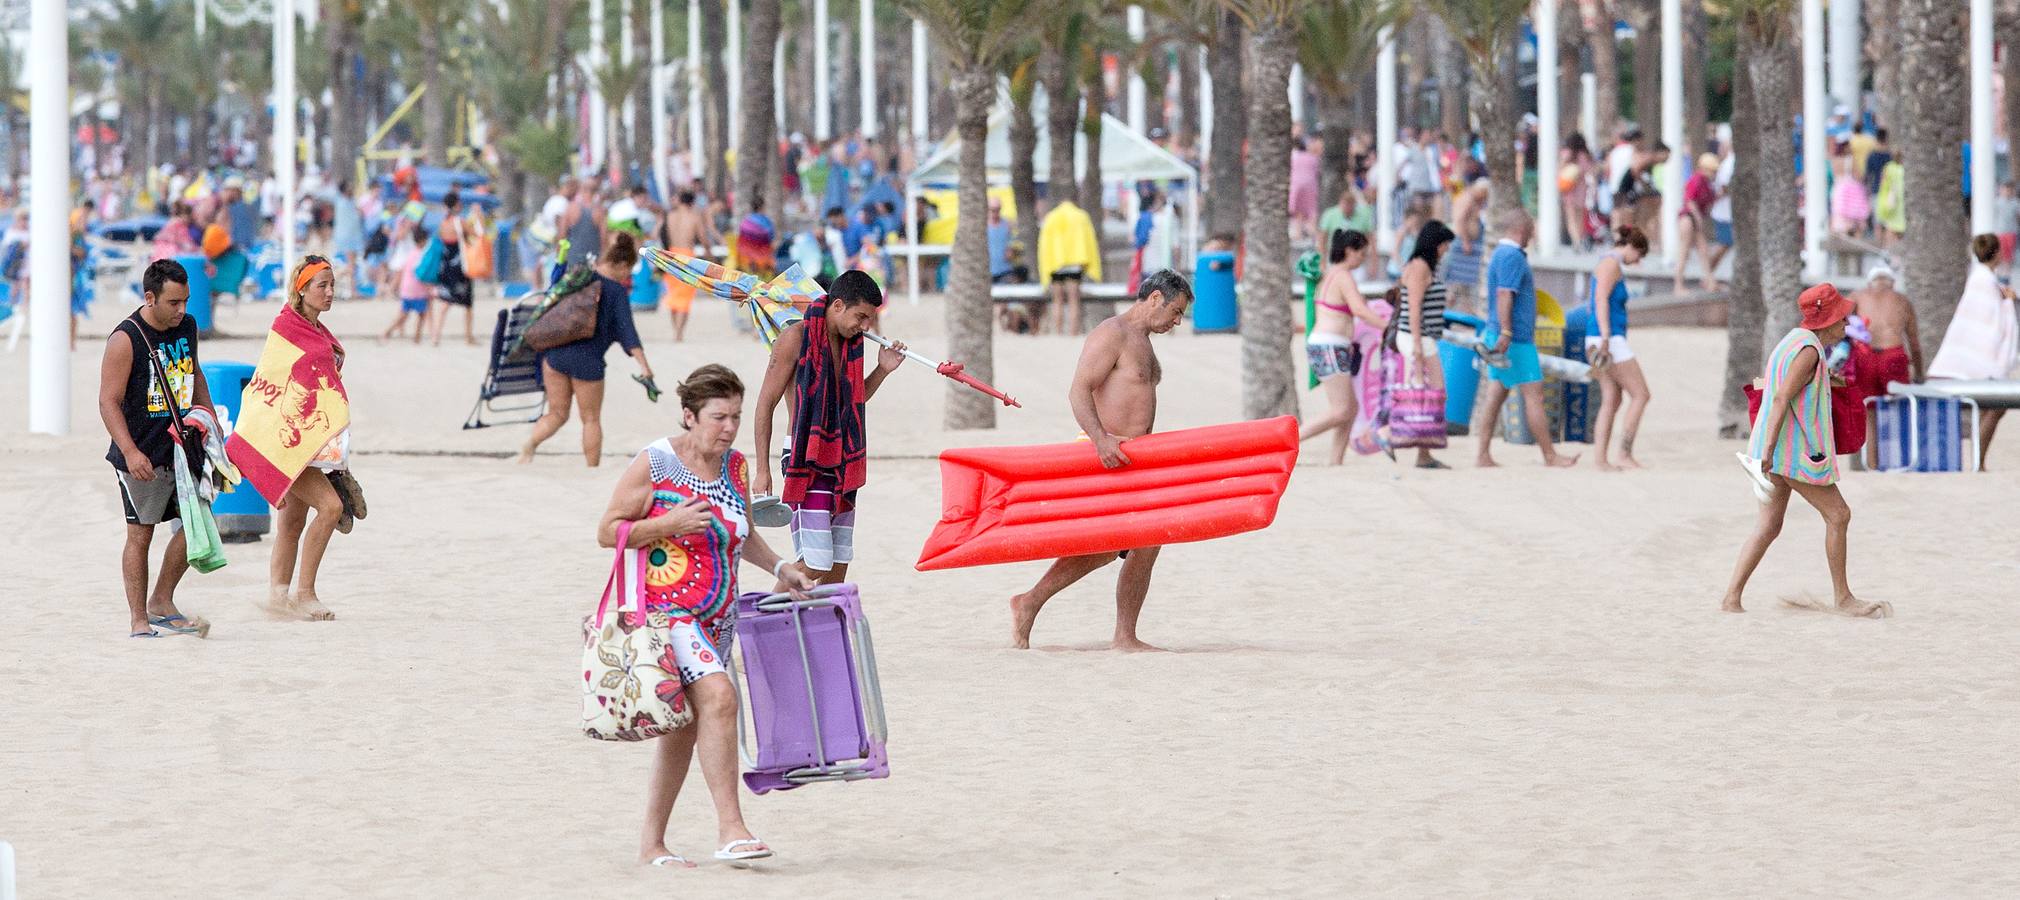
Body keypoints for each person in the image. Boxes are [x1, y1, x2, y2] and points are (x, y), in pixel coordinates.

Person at [597, 364, 817, 869]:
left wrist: (784, 567)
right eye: (719, 417)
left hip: (719, 620)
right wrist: (668, 523)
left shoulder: (735, 466)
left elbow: (741, 535)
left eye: (736, 417)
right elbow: (608, 531)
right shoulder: (655, 464)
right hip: (667, 614)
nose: (729, 428)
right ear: (689, 416)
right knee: (720, 697)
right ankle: (731, 829)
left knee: (683, 731)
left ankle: (652, 844)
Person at [1010, 270, 1193, 651]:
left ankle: (1115, 632)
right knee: (1114, 544)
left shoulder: (1141, 339)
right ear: (1156, 298)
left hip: (1132, 458)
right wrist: (1099, 439)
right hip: (1105, 453)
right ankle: (1033, 604)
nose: (1177, 321)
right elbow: (1079, 389)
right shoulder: (1113, 333)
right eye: (1175, 312)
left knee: (1140, 541)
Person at [1722, 284, 1890, 617]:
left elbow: (1785, 390)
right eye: (1842, 318)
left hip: (1775, 449)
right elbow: (1783, 397)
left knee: (1768, 526)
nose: (1846, 325)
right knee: (1839, 515)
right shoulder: (1809, 351)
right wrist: (1768, 452)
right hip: (1789, 452)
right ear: (1825, 321)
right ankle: (1843, 598)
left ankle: (1731, 598)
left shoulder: (1792, 341)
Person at [751, 271, 905, 586]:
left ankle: (826, 633)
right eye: (861, 316)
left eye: (870, 319)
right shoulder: (795, 339)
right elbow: (765, 405)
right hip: (805, 455)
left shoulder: (852, 344)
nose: (865, 326)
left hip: (844, 456)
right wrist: (762, 469)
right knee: (814, 562)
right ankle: (767, 616)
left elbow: (853, 400)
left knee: (837, 562)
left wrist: (883, 369)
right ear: (837, 305)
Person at [99, 259, 214, 638]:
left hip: (183, 448)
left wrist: (210, 419)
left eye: (186, 302)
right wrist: (130, 452)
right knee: (141, 534)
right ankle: (138, 619)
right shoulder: (125, 338)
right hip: (141, 451)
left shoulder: (188, 327)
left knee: (199, 521)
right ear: (150, 298)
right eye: (174, 303)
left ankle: (162, 599)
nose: (182, 311)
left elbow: (193, 372)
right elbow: (108, 401)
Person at [261, 257, 354, 621]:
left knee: (292, 522)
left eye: (333, 286)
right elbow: (266, 389)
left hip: (312, 441)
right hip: (288, 439)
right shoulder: (287, 327)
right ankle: (305, 594)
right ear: (302, 290)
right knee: (330, 508)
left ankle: (276, 597)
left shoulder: (316, 328)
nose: (330, 293)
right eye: (322, 286)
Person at [518, 233, 658, 466]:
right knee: (591, 420)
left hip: (554, 356)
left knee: (557, 414)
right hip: (587, 362)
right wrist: (645, 367)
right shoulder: (616, 292)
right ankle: (592, 468)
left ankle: (530, 445)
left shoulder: (578, 276)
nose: (627, 276)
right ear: (621, 264)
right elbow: (628, 333)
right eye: (628, 270)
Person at [1474, 210, 1578, 469]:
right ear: (1521, 231)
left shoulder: (1501, 254)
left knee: (1496, 395)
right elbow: (1504, 295)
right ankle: (1550, 456)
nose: (1533, 236)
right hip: (1514, 339)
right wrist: (1507, 332)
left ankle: (1482, 454)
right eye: (1531, 231)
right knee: (1534, 396)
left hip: (1501, 335)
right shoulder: (1512, 257)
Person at [1927, 234, 2019, 464]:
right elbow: (1991, 323)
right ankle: (1979, 460)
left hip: (1972, 359)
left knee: (1993, 408)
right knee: (1996, 406)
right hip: (1979, 360)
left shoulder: (1984, 279)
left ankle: (1979, 459)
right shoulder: (1984, 281)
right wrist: (2008, 303)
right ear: (1997, 253)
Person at [1300, 230, 1380, 465]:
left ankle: (1336, 461)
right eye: (1361, 253)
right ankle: (1292, 439)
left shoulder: (1329, 275)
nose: (1363, 257)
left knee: (1350, 408)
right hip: (1329, 346)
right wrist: (1386, 326)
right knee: (1341, 410)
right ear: (1349, 251)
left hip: (1328, 346)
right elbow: (1360, 310)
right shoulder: (1343, 276)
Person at [1585, 227, 1652, 471]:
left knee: (1611, 399)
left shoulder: (1605, 263)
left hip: (1600, 337)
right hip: (1609, 339)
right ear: (1632, 247)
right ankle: (1624, 453)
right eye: (1639, 255)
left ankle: (1601, 459)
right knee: (1641, 394)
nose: (1638, 261)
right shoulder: (1611, 265)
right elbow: (1600, 299)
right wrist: (1604, 337)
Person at [1395, 219, 1455, 469]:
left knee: (1426, 396)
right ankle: (1390, 435)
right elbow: (1414, 308)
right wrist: (1418, 346)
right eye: (1444, 246)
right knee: (1431, 394)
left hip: (1422, 337)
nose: (1446, 250)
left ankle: (1424, 453)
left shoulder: (1425, 267)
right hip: (1416, 337)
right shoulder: (1420, 268)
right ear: (1435, 244)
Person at [1847, 264, 1921, 464]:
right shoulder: (1901, 300)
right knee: (1901, 407)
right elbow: (1914, 342)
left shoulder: (1857, 297)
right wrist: (1920, 374)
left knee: (1869, 411)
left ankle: (1872, 463)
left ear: (1871, 282)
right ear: (1892, 282)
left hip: (1865, 355)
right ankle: (1902, 461)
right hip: (1893, 355)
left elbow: (1842, 329)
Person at [1038, 198, 1102, 335]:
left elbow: (1044, 244)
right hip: (1075, 262)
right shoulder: (1081, 216)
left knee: (1057, 300)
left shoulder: (1052, 217)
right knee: (1074, 300)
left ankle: (1059, 332)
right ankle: (1073, 333)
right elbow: (1089, 240)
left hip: (1056, 263)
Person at [658, 190, 713, 342]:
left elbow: (662, 236)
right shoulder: (694, 217)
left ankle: (676, 329)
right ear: (692, 202)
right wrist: (710, 256)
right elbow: (703, 239)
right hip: (687, 256)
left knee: (674, 294)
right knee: (685, 296)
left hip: (671, 255)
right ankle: (679, 333)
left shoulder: (670, 216)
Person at [427, 191, 477, 346]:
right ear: (456, 204)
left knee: (445, 301)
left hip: (446, 266)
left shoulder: (443, 223)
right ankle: (468, 337)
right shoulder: (460, 222)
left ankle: (436, 336)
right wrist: (477, 216)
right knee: (467, 303)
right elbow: (475, 234)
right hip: (460, 266)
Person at [1442, 180, 1489, 315]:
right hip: (1463, 245)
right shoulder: (1467, 199)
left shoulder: (1473, 200)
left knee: (1463, 285)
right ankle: (1452, 309)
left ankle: (1465, 309)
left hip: (1469, 246)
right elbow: (1460, 220)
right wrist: (1466, 241)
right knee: (1457, 282)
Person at [1675, 153, 1720, 293]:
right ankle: (1678, 285)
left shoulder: (1707, 184)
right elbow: (1690, 201)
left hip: (1695, 218)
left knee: (1703, 251)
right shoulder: (1696, 180)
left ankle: (1710, 281)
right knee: (1684, 251)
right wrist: (1698, 219)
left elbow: (1709, 200)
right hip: (1689, 218)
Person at [381, 227, 431, 343]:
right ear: (423, 241)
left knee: (403, 315)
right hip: (417, 290)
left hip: (406, 289)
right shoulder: (422, 255)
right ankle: (416, 338)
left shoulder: (411, 253)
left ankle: (387, 333)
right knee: (421, 314)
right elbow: (421, 273)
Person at [986, 196, 1026, 284]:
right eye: (992, 209)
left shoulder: (1008, 225)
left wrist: (1013, 250)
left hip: (1005, 271)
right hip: (986, 272)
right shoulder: (981, 226)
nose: (995, 212)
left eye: (997, 209)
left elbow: (1019, 245)